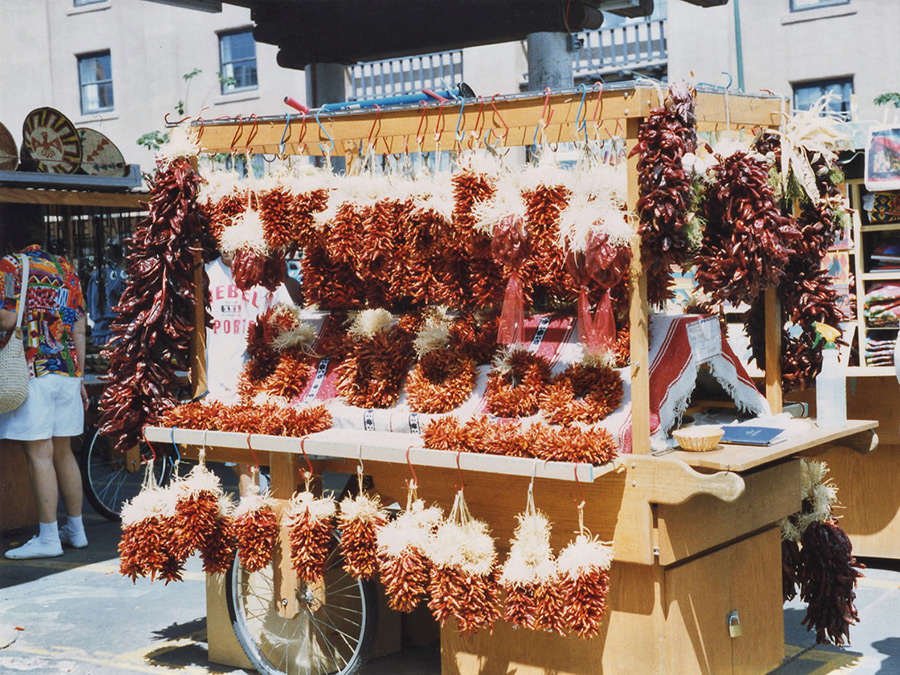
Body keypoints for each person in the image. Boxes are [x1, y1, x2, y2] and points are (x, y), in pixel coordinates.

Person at [0, 203, 89, 559]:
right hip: (67, 368)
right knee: (64, 452)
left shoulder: (9, 265)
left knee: (39, 454)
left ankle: (49, 537)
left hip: (32, 368)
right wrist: (79, 375)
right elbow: (79, 325)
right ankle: (77, 529)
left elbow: (7, 319)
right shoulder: (65, 267)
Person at [205, 248, 297, 497]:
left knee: (246, 458)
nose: (226, 248)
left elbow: (289, 316)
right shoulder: (207, 274)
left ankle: (253, 505)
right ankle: (262, 489)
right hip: (218, 379)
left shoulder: (262, 275)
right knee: (234, 456)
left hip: (254, 379)